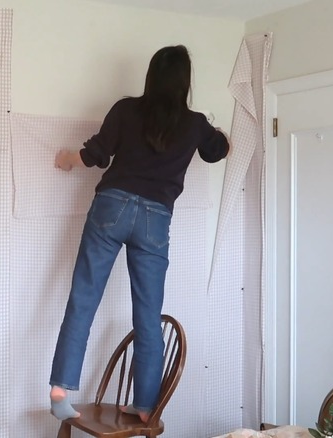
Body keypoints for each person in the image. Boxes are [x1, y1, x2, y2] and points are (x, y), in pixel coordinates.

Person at [48, 45, 230, 423]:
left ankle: (61, 390)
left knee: (84, 298)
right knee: (147, 316)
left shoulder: (126, 109)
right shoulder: (194, 123)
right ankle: (145, 405)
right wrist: (217, 130)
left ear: (151, 76)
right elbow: (218, 151)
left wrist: (65, 158)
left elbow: (94, 155)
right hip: (155, 218)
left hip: (111, 208)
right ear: (184, 82)